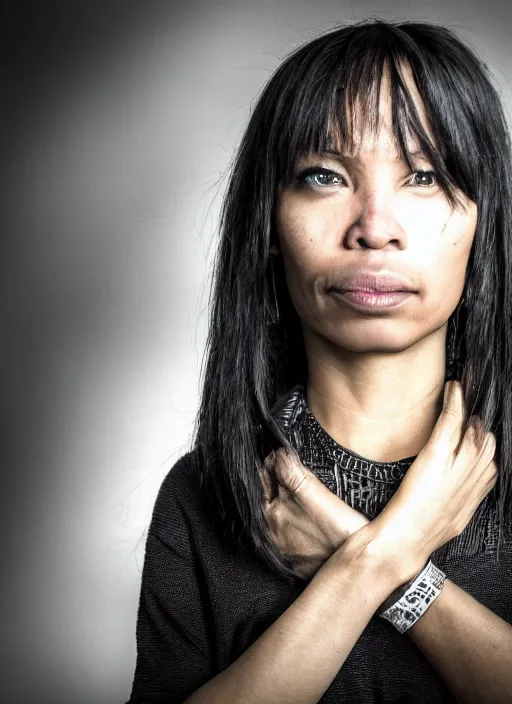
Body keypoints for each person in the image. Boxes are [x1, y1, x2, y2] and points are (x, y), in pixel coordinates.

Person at [125, 18, 512, 704]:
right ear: (269, 227)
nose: (374, 227)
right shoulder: (204, 494)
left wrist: (385, 568)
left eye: (423, 176)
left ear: (485, 222)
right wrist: (374, 563)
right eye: (325, 176)